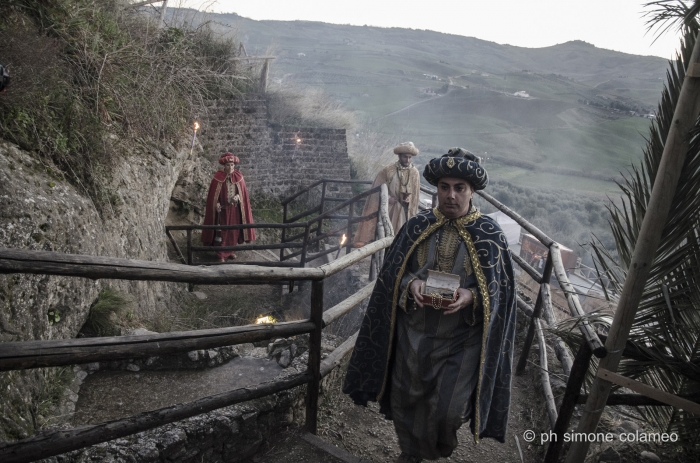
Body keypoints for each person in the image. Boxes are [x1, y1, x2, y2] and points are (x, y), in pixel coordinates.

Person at [343, 148, 517, 463]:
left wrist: (472, 296)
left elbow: (501, 291)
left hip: (462, 340)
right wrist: (412, 284)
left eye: (459, 188)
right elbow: (393, 274)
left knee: (449, 411)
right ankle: (410, 453)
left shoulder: (490, 235)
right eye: (444, 187)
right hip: (415, 333)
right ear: (436, 190)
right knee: (406, 400)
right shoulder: (416, 227)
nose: (450, 195)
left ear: (472, 191)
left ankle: (436, 449)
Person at [353, 141, 421, 247]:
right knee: (386, 236)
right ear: (399, 156)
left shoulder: (414, 172)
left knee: (402, 239)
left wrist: (409, 200)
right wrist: (388, 199)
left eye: (409, 157)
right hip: (389, 209)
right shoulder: (388, 170)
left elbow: (415, 195)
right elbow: (377, 189)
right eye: (405, 157)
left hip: (404, 211)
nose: (407, 160)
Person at [202, 153, 255, 261]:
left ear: (234, 165)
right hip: (222, 210)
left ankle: (231, 251)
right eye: (228, 165)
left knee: (233, 231)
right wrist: (216, 204)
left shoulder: (239, 177)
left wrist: (237, 197)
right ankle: (221, 253)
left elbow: (243, 194)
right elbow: (213, 196)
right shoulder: (217, 178)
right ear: (224, 166)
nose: (230, 167)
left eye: (232, 165)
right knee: (222, 231)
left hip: (235, 209)